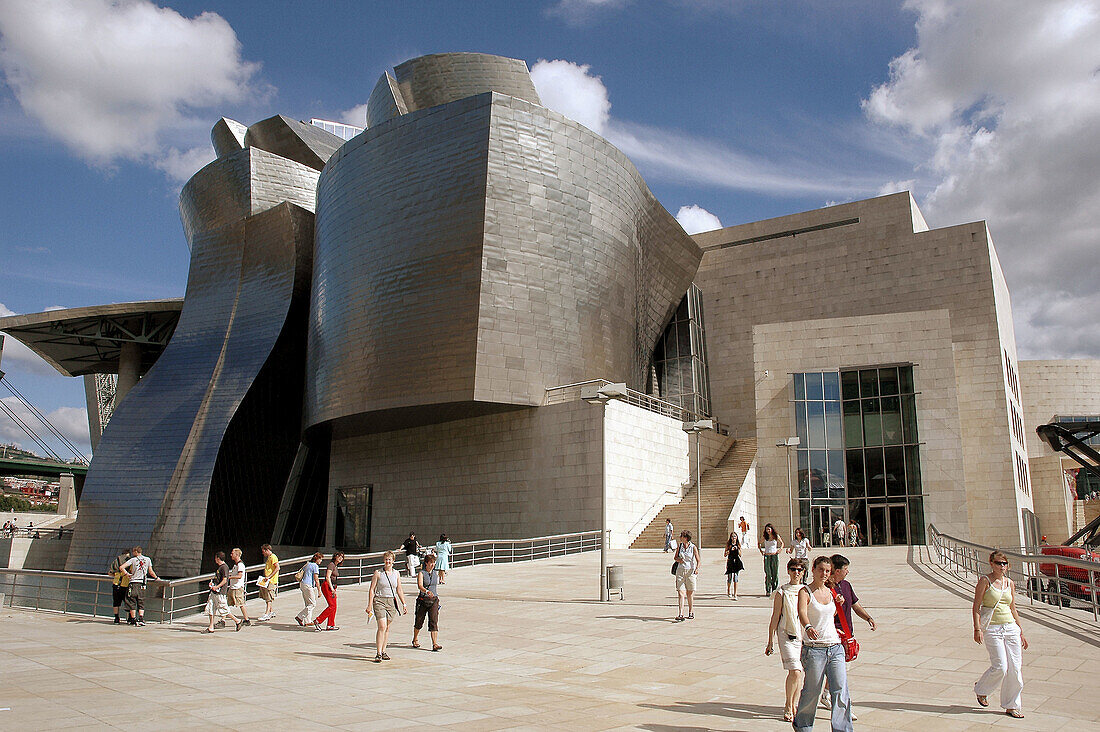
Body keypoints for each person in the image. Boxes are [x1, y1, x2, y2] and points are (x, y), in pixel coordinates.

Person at [793, 555, 852, 732]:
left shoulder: (831, 591)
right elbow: (802, 612)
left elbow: (828, 617)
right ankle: (803, 726)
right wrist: (808, 626)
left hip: (835, 647)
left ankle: (842, 729)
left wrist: (839, 604)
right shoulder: (805, 591)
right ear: (813, 569)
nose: (824, 574)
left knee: (840, 690)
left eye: (828, 571)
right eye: (821, 570)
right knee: (811, 692)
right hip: (814, 650)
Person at [973, 549, 1028, 719]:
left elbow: (1013, 608)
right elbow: (976, 607)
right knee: (1001, 666)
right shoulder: (985, 581)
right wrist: (977, 629)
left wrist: (1021, 632)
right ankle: (982, 689)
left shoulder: (1009, 583)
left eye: (1004, 563)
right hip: (992, 628)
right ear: (991, 564)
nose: (1002, 566)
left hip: (1010, 627)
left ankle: (1012, 705)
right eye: (998, 563)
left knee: (1015, 668)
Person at [821, 554, 875, 718]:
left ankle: (826, 694)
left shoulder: (846, 585)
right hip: (832, 635)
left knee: (840, 671)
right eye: (845, 570)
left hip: (846, 635)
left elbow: (855, 605)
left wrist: (868, 617)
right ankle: (843, 709)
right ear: (837, 571)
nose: (847, 572)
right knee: (839, 675)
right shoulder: (825, 589)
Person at [766, 558, 807, 722]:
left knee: (798, 674)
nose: (796, 573)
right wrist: (770, 640)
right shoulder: (781, 592)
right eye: (793, 569)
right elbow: (775, 617)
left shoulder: (807, 591)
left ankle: (794, 703)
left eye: (799, 570)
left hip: (802, 634)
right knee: (795, 671)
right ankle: (788, 706)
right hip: (786, 634)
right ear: (788, 571)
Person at [367, 550, 408, 662]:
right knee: (382, 626)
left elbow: (399, 589)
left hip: (391, 601)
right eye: (386, 559)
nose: (387, 561)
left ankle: (384, 650)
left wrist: (404, 603)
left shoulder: (396, 574)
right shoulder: (378, 573)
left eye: (390, 559)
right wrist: (369, 605)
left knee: (387, 628)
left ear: (393, 561)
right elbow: (372, 589)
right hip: (379, 601)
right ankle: (378, 653)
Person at [203, 551, 243, 633]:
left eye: (215, 558)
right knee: (211, 608)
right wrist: (213, 584)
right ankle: (211, 627)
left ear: (218, 558)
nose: (215, 560)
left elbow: (225, 580)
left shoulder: (224, 567)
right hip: (214, 592)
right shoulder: (220, 567)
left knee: (224, 609)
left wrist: (216, 587)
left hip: (219, 592)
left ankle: (237, 621)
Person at [119, 546, 159, 626]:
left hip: (133, 583)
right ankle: (141, 618)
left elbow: (121, 567)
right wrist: (157, 578)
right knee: (141, 602)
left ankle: (133, 619)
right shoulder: (148, 559)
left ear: (135, 552)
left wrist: (127, 574)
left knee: (132, 601)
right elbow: (151, 572)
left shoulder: (133, 560)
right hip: (142, 584)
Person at [412, 553, 443, 651]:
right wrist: (426, 591)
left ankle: (434, 643)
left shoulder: (435, 573)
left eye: (434, 562)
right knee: (419, 621)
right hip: (423, 600)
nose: (433, 564)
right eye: (431, 563)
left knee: (434, 621)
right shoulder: (421, 573)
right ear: (426, 563)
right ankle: (415, 639)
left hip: (434, 600)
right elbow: (420, 585)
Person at [673, 529, 701, 621]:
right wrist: (679, 560)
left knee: (690, 593)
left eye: (682, 536)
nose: (680, 538)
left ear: (686, 538)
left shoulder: (693, 547)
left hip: (690, 571)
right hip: (680, 571)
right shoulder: (680, 546)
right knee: (681, 593)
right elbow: (675, 557)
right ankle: (680, 613)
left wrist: (697, 568)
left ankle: (691, 611)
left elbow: (698, 560)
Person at [314, 551, 345, 631]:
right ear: (335, 556)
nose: (340, 558)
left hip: (332, 587)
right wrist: (332, 589)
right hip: (327, 586)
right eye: (339, 556)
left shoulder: (335, 565)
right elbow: (328, 577)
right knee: (331, 606)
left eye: (342, 557)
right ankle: (318, 620)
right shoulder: (331, 565)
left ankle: (330, 625)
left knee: (334, 606)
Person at [294, 552, 323, 630]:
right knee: (313, 604)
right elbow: (316, 579)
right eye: (320, 559)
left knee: (308, 603)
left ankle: (307, 621)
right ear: (317, 559)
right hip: (308, 585)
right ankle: (300, 616)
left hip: (302, 584)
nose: (321, 561)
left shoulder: (307, 564)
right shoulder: (315, 566)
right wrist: (319, 590)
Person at [227, 547, 251, 626]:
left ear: (237, 555)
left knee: (241, 604)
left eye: (232, 553)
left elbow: (240, 575)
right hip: (232, 587)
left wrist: (230, 577)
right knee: (226, 604)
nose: (231, 555)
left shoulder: (240, 565)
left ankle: (247, 619)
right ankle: (223, 619)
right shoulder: (236, 565)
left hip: (237, 587)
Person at [759, 523, 784, 594]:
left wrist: (780, 549)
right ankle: (768, 589)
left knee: (775, 573)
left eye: (769, 529)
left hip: (774, 555)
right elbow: (759, 543)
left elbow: (782, 543)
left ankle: (774, 589)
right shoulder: (765, 537)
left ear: (772, 529)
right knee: (768, 573)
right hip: (767, 556)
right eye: (766, 529)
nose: (768, 531)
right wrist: (761, 551)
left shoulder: (776, 536)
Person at [107, 549, 130, 625]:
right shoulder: (129, 560)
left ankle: (116, 618)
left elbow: (110, 573)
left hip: (116, 583)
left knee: (116, 602)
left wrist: (116, 575)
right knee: (128, 601)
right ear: (128, 554)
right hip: (125, 584)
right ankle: (130, 618)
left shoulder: (116, 560)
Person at [257, 544, 279, 621]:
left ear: (267, 550)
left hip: (271, 581)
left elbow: (277, 567)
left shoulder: (273, 557)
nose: (263, 553)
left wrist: (269, 576)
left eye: (263, 551)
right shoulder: (269, 557)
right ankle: (271, 611)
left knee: (269, 598)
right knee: (267, 597)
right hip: (268, 580)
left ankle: (266, 614)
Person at [724, 532, 745, 599]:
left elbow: (740, 555)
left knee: (735, 578)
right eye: (732, 536)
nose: (733, 538)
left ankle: (735, 594)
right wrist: (729, 551)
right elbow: (725, 554)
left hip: (736, 562)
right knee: (729, 578)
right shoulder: (728, 544)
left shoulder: (738, 544)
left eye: (735, 536)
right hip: (730, 562)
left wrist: (737, 549)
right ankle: (728, 591)